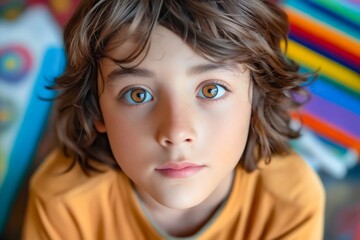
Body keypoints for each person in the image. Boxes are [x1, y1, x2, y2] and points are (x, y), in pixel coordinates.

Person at [22, 0, 325, 239]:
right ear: (96, 109)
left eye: (211, 89)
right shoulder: (63, 204)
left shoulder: (290, 201)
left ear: (256, 98)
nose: (177, 132)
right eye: (137, 95)